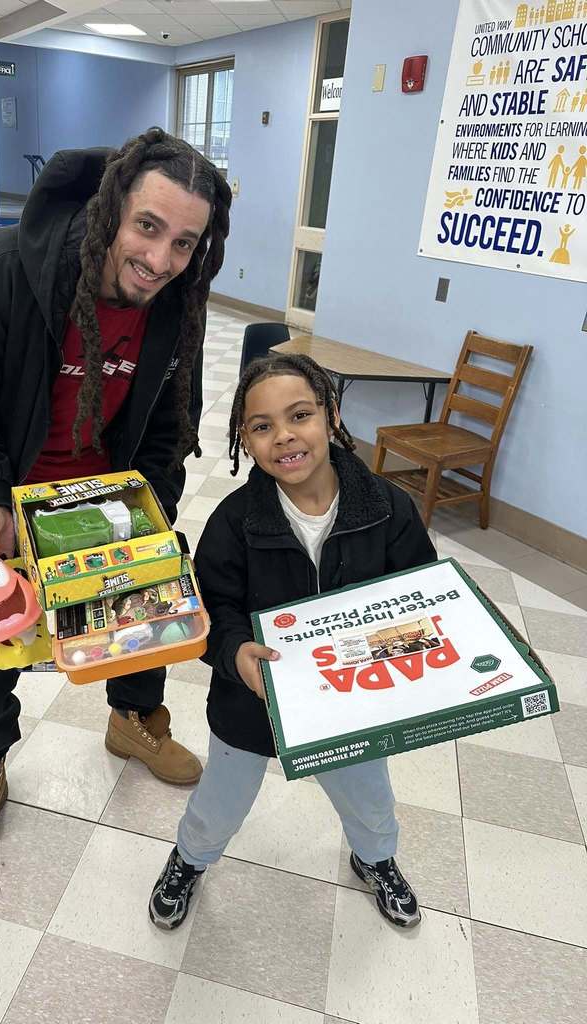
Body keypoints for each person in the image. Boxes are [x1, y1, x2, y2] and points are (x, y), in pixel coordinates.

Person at [0, 127, 231, 879]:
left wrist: (150, 504)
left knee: (145, 609)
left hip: (103, 492)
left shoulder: (178, 301)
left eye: (184, 243)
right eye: (148, 228)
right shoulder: (6, 270)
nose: (159, 259)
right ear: (114, 209)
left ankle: (135, 720)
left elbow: (169, 420)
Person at [147, 352, 437, 931]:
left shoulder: (387, 507)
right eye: (261, 426)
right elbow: (211, 609)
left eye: (300, 415)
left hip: (353, 701)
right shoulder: (234, 521)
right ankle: (190, 858)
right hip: (251, 704)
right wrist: (233, 652)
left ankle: (375, 858)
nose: (284, 436)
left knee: (370, 799)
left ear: (330, 416)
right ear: (244, 440)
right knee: (220, 801)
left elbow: (423, 592)